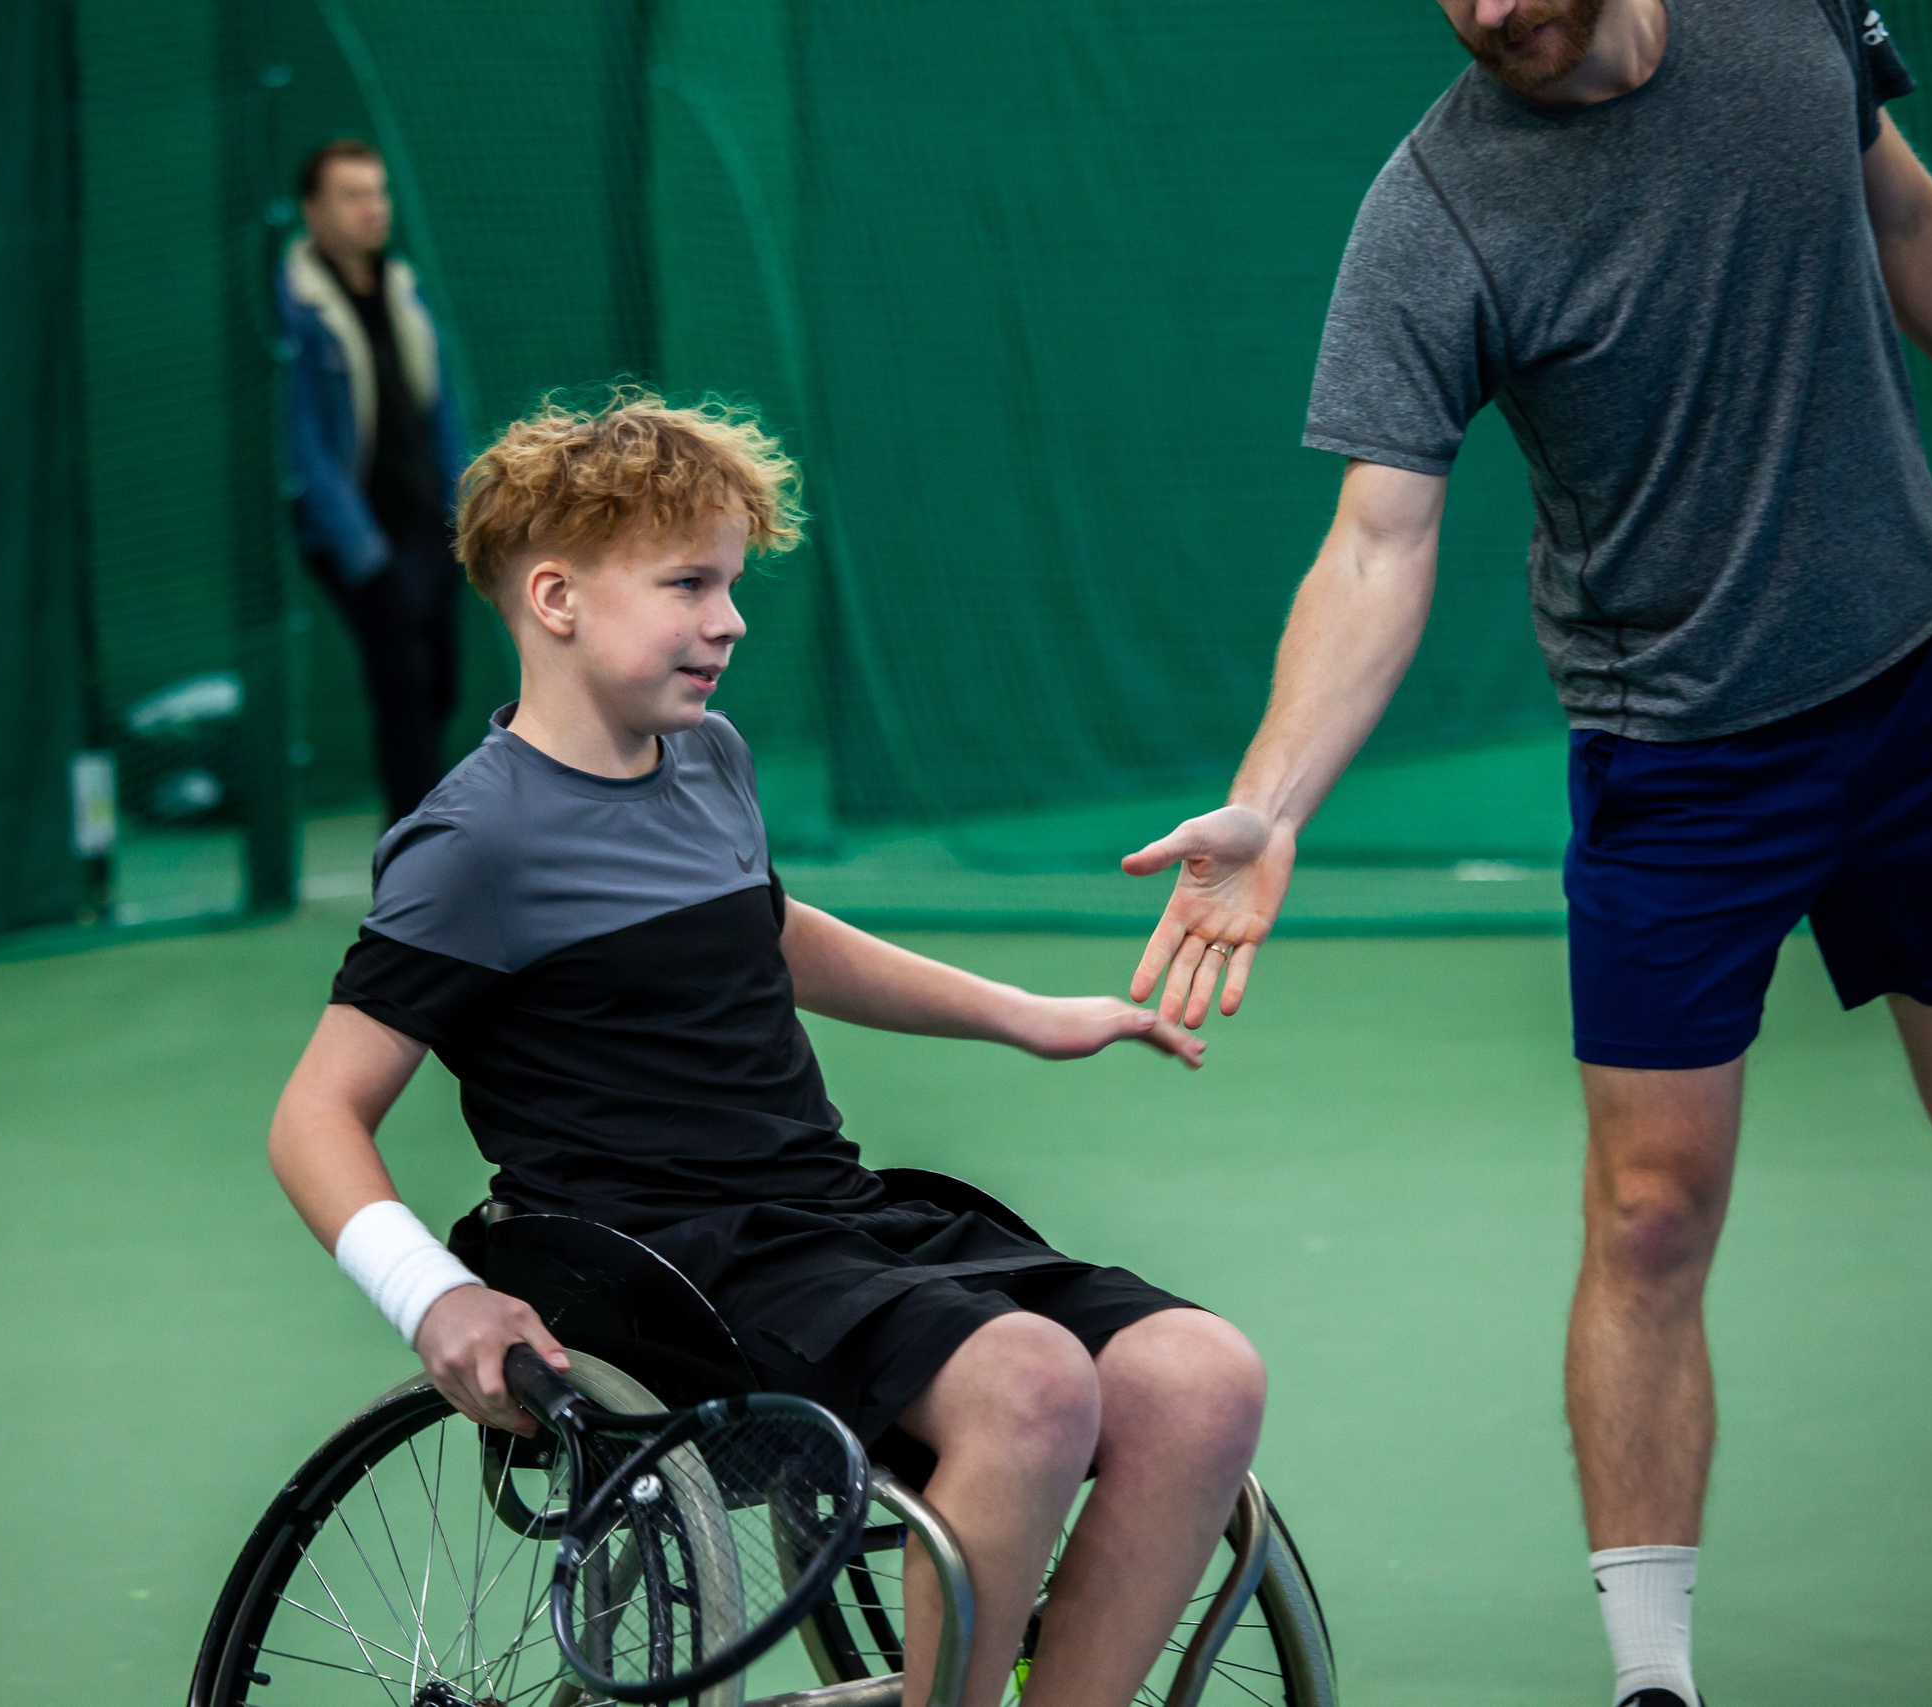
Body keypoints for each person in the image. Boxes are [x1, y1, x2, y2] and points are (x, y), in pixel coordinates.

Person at [1121, 2, 1932, 1701]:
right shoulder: (1439, 209)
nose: (1490, 10)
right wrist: (1270, 800)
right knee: (1649, 1211)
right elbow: (1376, 541)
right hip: (1677, 758)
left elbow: (1903, 211)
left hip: (1919, 688)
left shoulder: (1783, 28)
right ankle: (1652, 1678)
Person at [267, 391, 1267, 1707]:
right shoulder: (476, 844)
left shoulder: (706, 759)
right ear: (557, 598)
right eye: (688, 582)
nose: (728, 619)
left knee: (1200, 1376)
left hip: (823, 1221)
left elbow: (772, 933)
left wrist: (1024, 1012)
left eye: (730, 583)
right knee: (1027, 1384)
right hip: (657, 1266)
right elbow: (315, 1115)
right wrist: (436, 1293)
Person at [276, 138, 468, 820]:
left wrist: (460, 512)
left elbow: (439, 408)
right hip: (355, 538)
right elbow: (302, 443)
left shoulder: (402, 290)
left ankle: (426, 837)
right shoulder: (296, 308)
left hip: (429, 526)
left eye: (378, 192)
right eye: (352, 194)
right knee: (404, 681)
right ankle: (415, 857)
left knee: (440, 681)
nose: (371, 208)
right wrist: (360, 549)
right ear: (312, 210)